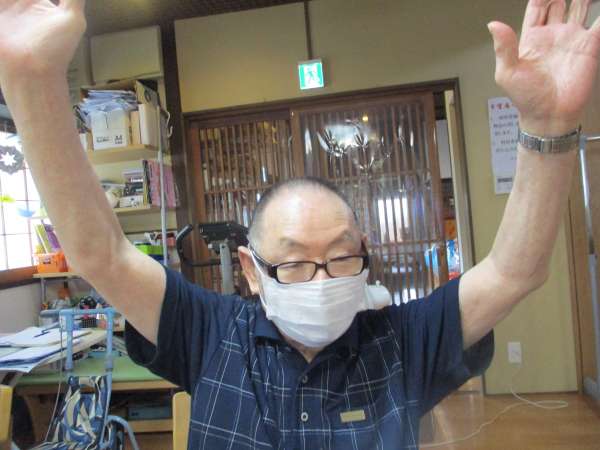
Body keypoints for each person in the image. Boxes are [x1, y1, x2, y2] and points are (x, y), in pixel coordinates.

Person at [0, 0, 598, 448]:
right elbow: (100, 253)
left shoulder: (406, 341)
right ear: (250, 270)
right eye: (292, 263)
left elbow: (516, 270)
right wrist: (31, 80)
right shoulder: (207, 333)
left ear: (366, 254)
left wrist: (547, 127)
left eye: (341, 257)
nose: (321, 280)